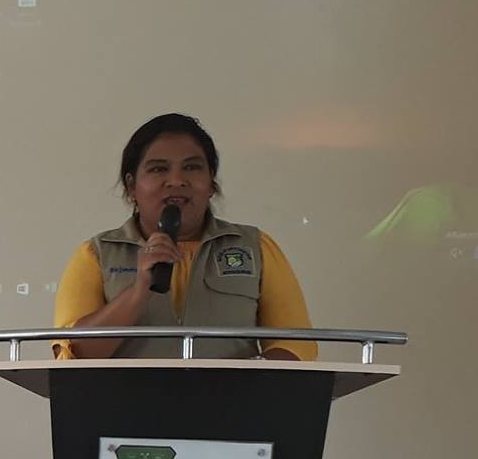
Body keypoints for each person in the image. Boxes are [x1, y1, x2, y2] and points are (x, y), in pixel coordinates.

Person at [54, 113, 315, 360]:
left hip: (235, 394)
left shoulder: (255, 247)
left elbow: (296, 346)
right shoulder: (96, 254)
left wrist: (240, 383)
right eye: (158, 169)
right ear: (132, 186)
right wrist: (137, 292)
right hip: (127, 395)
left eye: (192, 167)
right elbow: (74, 354)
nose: (177, 180)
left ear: (211, 183)